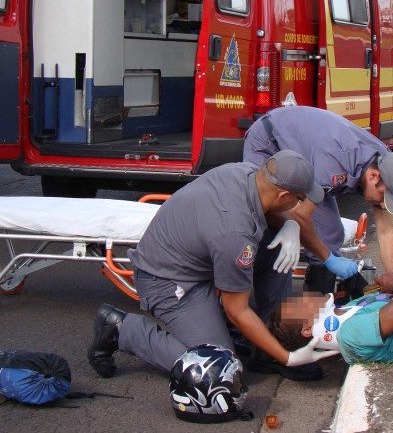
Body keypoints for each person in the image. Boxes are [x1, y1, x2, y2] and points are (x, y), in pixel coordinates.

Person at [87, 151, 340, 383]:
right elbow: (237, 310)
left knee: (279, 247)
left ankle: (267, 348)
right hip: (167, 281)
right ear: (284, 195)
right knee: (219, 368)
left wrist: (290, 225)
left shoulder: (247, 172)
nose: (301, 203)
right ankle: (122, 329)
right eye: (300, 198)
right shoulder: (235, 232)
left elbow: (267, 213)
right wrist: (289, 358)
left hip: (199, 261)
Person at [243, 106, 393, 294]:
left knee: (331, 234)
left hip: (310, 157)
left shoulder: (386, 167)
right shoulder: (334, 164)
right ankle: (262, 307)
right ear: (374, 176)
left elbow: (386, 230)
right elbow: (299, 215)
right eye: (385, 198)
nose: (384, 205)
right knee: (273, 228)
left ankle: (317, 311)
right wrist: (328, 258)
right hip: (271, 142)